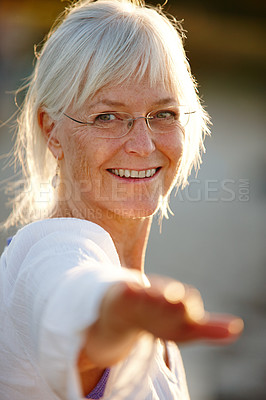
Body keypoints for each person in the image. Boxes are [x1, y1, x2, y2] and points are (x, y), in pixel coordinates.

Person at [0, 0, 243, 399]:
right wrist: (119, 313)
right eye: (107, 117)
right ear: (52, 130)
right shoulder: (47, 255)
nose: (142, 144)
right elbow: (71, 301)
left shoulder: (145, 301)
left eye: (163, 113)